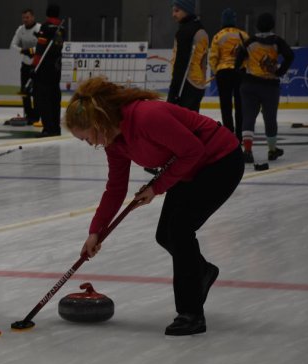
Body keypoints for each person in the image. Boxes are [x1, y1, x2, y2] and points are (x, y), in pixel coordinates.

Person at [64, 76, 244, 336]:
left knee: (180, 229)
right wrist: (96, 231)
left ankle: (191, 314)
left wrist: (156, 188)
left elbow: (193, 151)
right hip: (189, 168)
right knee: (165, 235)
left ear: (97, 122)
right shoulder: (114, 142)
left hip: (220, 161)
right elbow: (115, 188)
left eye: (86, 138)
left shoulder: (147, 116)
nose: (90, 144)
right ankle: (200, 272)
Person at [235, 12, 295, 171]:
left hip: (249, 85)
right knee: (270, 117)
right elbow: (290, 55)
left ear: (257, 25)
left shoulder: (250, 42)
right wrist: (280, 71)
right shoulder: (276, 41)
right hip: (270, 86)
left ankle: (247, 151)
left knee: (248, 117)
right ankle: (272, 150)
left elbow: (237, 62)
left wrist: (243, 75)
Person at [209, 8, 248, 141]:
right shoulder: (243, 35)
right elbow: (249, 55)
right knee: (240, 104)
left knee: (225, 105)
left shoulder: (218, 36)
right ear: (234, 20)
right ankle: (240, 135)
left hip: (223, 72)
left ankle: (229, 134)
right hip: (240, 72)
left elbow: (213, 57)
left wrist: (216, 71)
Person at [167, 0, 209, 112]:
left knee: (181, 124)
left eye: (177, 11)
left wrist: (173, 93)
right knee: (193, 123)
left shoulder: (185, 32)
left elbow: (181, 64)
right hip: (198, 84)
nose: (173, 15)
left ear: (187, 10)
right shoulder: (200, 29)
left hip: (186, 85)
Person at [32, 4, 65, 137]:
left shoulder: (45, 27)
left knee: (43, 98)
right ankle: (56, 128)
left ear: (47, 13)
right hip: (56, 68)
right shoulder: (62, 28)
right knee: (54, 97)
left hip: (44, 68)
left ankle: (48, 128)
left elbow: (40, 48)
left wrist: (34, 66)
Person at [10, 8, 41, 125]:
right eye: (23, 18)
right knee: (24, 91)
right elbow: (13, 45)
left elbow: (44, 45)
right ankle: (29, 115)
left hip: (38, 66)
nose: (25, 20)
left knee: (37, 91)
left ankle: (37, 115)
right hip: (25, 65)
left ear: (33, 17)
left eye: (27, 17)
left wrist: (32, 50)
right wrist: (23, 51)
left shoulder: (39, 28)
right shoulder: (20, 29)